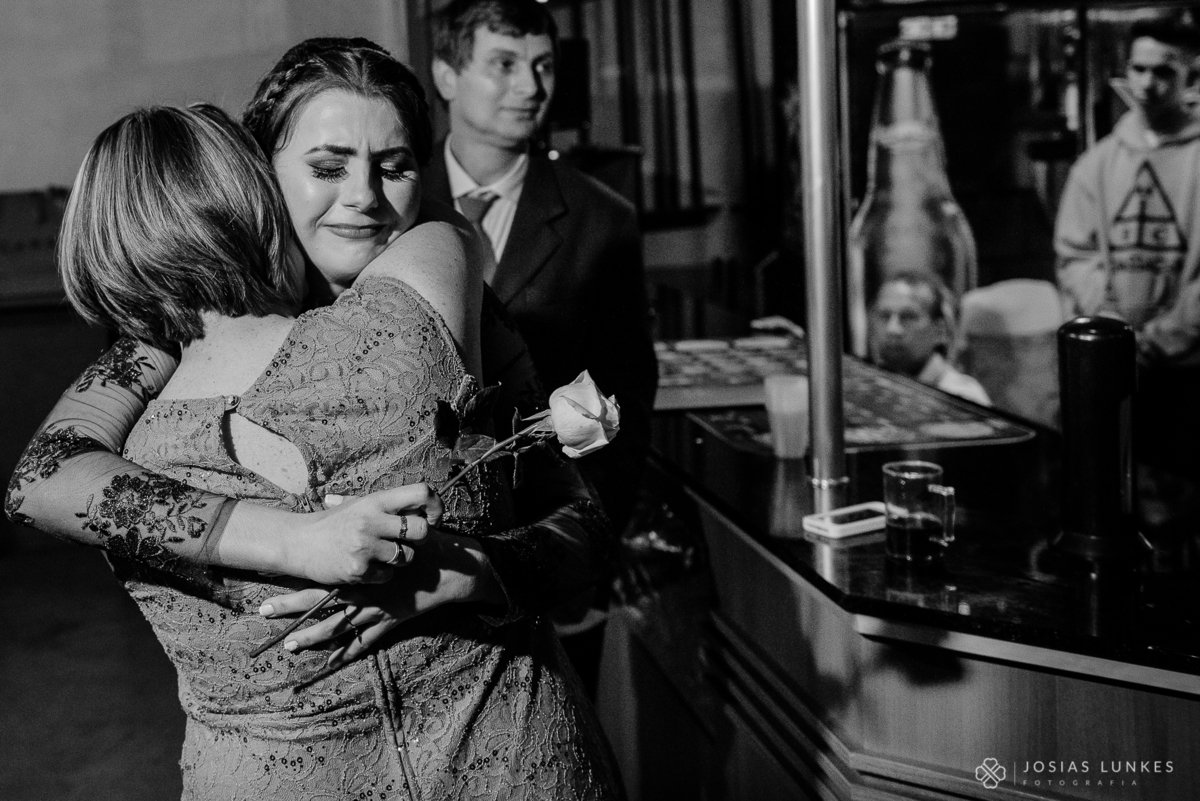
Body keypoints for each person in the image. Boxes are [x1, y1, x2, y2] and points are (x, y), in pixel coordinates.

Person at [7, 43, 624, 798]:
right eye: (327, 167)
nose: (364, 197)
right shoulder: (163, 343)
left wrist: (472, 574)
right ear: (257, 177)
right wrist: (302, 540)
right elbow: (46, 472)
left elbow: (585, 523)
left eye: (394, 166)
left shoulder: (459, 304)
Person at [427, 0, 658, 697]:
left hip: (548, 551)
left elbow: (627, 403)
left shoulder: (601, 221)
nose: (531, 86)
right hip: (422, 548)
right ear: (446, 75)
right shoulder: (396, 202)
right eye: (503, 64)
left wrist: (585, 552)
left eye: (543, 66)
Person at [1055, 17, 1200, 489]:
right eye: (1138, 69)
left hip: (1189, 377)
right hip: (1114, 374)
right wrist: (1116, 330)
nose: (1147, 84)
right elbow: (1074, 257)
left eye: (1164, 73)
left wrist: (1166, 337)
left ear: (1190, 76)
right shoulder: (1095, 164)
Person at [868, 272, 991, 406]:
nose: (892, 329)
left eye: (908, 317)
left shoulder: (962, 399)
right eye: (884, 316)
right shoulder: (866, 388)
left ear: (940, 331)